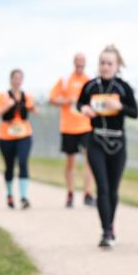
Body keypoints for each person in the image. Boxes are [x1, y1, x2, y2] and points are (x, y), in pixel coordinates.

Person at [77, 45, 138, 248]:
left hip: (117, 142)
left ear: (117, 65)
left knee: (113, 189)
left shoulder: (123, 87)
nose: (105, 67)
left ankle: (110, 226)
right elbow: (80, 103)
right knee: (102, 187)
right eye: (102, 63)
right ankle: (106, 231)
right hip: (95, 140)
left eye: (109, 63)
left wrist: (120, 106)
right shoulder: (90, 86)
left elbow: (134, 112)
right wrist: (84, 108)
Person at [49, 53, 96, 208]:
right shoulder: (65, 80)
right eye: (78, 61)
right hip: (69, 127)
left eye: (83, 61)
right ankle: (70, 192)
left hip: (86, 126)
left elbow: (95, 101)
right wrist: (67, 101)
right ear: (74, 63)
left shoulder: (89, 81)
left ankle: (88, 193)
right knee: (71, 162)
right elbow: (52, 98)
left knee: (89, 160)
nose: (80, 64)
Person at [0, 68, 36, 209]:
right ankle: (10, 194)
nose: (17, 80)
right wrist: (6, 106)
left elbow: (34, 109)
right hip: (6, 136)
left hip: (24, 134)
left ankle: (23, 197)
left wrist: (32, 108)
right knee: (9, 166)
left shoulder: (26, 96)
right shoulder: (1, 96)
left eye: (19, 78)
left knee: (23, 162)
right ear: (11, 80)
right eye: (15, 78)